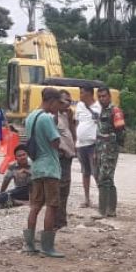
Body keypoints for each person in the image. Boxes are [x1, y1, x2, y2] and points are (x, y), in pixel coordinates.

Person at [23, 87, 66, 258]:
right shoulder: (47, 118)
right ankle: (47, 246)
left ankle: (30, 244)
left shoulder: (30, 117)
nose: (58, 107)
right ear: (51, 101)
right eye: (58, 103)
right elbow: (55, 142)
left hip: (36, 167)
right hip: (50, 167)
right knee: (52, 205)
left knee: (35, 206)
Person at [93, 86, 125, 218]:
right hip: (100, 148)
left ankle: (103, 210)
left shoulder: (115, 110)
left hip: (109, 149)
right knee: (104, 178)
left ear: (109, 96)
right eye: (99, 96)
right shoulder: (101, 111)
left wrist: (115, 145)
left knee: (104, 177)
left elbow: (121, 130)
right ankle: (110, 209)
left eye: (104, 96)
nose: (102, 99)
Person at [74, 87, 101, 207]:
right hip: (81, 144)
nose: (80, 95)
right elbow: (76, 122)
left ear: (90, 94)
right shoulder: (79, 105)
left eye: (82, 92)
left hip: (93, 144)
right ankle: (87, 199)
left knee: (96, 172)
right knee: (85, 172)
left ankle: (102, 199)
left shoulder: (98, 107)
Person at [55, 90, 77, 230]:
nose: (68, 104)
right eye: (65, 101)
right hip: (61, 156)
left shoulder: (66, 115)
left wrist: (71, 120)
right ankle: (58, 222)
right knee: (60, 190)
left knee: (65, 190)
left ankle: (61, 220)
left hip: (68, 156)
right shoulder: (53, 116)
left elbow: (73, 135)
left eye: (70, 101)